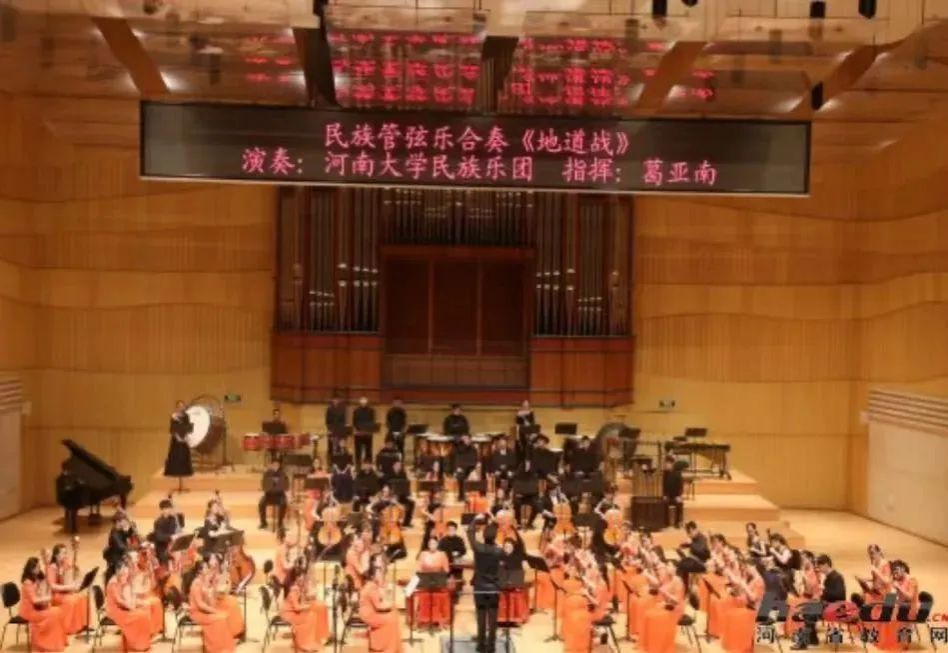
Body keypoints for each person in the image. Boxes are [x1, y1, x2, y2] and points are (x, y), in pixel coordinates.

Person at [790, 554, 846, 650]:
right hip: (829, 606)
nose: (819, 569)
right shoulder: (829, 577)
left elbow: (839, 595)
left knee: (809, 611)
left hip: (837, 608)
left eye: (820, 566)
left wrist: (823, 590)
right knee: (808, 610)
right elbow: (827, 595)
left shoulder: (837, 577)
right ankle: (813, 639)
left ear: (826, 565)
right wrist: (820, 596)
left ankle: (806, 641)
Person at [467, 515, 503, 653]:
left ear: (483, 536)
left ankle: (481, 646)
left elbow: (470, 533)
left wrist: (475, 519)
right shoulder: (498, 551)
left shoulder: (478, 548)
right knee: (493, 619)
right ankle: (491, 647)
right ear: (495, 537)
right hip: (493, 588)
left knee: (481, 616)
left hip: (480, 587)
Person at [20, 557, 68, 653]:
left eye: (39, 566)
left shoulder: (36, 577)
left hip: (38, 608)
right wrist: (48, 598)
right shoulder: (27, 582)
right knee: (55, 613)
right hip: (30, 611)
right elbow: (34, 600)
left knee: (58, 612)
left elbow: (46, 582)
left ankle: (55, 642)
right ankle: (46, 643)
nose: (39, 569)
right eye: (37, 567)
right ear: (31, 569)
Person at [187, 559, 236, 653]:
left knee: (224, 616)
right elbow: (200, 604)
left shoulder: (203, 581)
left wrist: (212, 587)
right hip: (197, 613)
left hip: (204, 611)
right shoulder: (196, 583)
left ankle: (223, 647)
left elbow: (209, 599)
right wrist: (213, 611)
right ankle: (216, 648)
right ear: (200, 571)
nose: (208, 569)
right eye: (206, 567)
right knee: (220, 618)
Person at [280, 561, 329, 652]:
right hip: (289, 614)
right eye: (301, 577)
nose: (303, 579)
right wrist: (307, 607)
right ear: (296, 578)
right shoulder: (294, 589)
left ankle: (310, 641)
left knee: (312, 615)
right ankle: (305, 644)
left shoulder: (298, 587)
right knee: (311, 616)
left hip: (293, 611)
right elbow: (296, 607)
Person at [106, 559, 153, 651]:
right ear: (118, 571)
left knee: (144, 611)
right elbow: (119, 601)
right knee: (141, 616)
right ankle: (137, 644)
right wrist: (131, 607)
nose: (125, 575)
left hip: (123, 607)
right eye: (123, 573)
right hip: (116, 610)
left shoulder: (121, 580)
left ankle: (142, 642)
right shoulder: (113, 583)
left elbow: (126, 596)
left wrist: (134, 603)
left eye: (126, 573)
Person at [359, 563, 403, 653]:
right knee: (392, 618)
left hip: (371, 612)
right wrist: (393, 605)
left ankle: (394, 646)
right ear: (373, 576)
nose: (381, 575)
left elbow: (380, 601)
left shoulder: (372, 585)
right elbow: (379, 606)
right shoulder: (371, 587)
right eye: (379, 573)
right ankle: (390, 648)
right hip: (370, 615)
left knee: (394, 614)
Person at [47, 542, 89, 635]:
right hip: (55, 595)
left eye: (66, 553)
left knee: (82, 597)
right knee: (71, 601)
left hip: (64, 592)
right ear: (56, 555)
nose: (66, 555)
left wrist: (76, 551)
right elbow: (52, 586)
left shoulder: (64, 563)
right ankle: (66, 628)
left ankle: (81, 625)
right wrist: (69, 587)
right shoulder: (52, 567)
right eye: (63, 553)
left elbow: (74, 566)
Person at [414, 536, 452, 627]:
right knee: (422, 594)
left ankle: (440, 619)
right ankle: (423, 619)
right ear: (428, 545)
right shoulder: (423, 554)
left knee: (443, 594)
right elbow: (418, 569)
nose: (432, 545)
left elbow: (446, 570)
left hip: (438, 583)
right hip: (425, 583)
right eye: (430, 543)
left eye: (434, 543)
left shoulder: (442, 554)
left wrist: (439, 574)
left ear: (437, 544)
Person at [164, 400, 193, 479]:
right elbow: (172, 428)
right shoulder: (173, 416)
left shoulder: (186, 416)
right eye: (179, 406)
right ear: (177, 407)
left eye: (182, 406)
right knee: (176, 454)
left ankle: (185, 472)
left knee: (184, 454)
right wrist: (178, 437)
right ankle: (174, 472)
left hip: (184, 437)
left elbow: (187, 426)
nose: (181, 408)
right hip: (176, 438)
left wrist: (185, 437)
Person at [258, 459, 289, 531]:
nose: (275, 466)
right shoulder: (266, 473)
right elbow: (264, 485)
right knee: (261, 503)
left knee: (284, 503)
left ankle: (280, 523)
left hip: (280, 495)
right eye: (274, 465)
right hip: (268, 495)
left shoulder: (283, 473)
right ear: (271, 465)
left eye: (277, 465)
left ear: (279, 465)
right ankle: (263, 523)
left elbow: (286, 486)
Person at [151, 499, 181, 564]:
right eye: (167, 508)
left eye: (170, 508)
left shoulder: (172, 519)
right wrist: (171, 537)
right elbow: (159, 537)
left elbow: (174, 531)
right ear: (162, 510)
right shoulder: (158, 522)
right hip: (162, 550)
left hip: (171, 547)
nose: (170, 510)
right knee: (166, 565)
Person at [661, 454, 684, 528]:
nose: (666, 465)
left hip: (676, 495)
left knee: (679, 503)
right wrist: (664, 495)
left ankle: (678, 522)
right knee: (663, 503)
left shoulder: (677, 473)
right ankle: (666, 522)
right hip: (667, 495)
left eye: (668, 464)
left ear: (672, 464)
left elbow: (680, 486)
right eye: (665, 463)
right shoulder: (664, 474)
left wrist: (679, 496)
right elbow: (663, 486)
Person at [353, 397, 377, 465]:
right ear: (360, 402)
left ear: (367, 403)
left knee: (368, 450)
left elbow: (372, 422)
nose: (363, 403)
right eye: (362, 402)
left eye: (365, 402)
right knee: (358, 450)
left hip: (368, 433)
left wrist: (368, 430)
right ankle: (358, 464)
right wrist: (357, 430)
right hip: (359, 433)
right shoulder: (356, 411)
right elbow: (354, 422)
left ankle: (368, 464)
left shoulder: (371, 410)